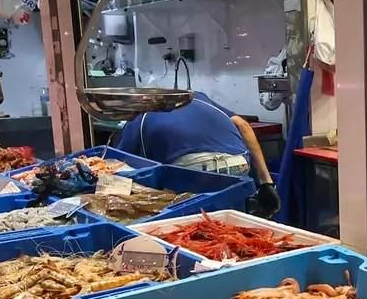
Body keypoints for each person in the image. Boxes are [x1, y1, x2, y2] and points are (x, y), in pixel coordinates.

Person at [115, 91, 281, 217]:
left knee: (192, 226)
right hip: (237, 162)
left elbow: (121, 167)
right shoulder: (196, 97)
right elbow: (242, 125)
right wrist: (266, 183)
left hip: (190, 168)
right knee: (230, 223)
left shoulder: (139, 115)